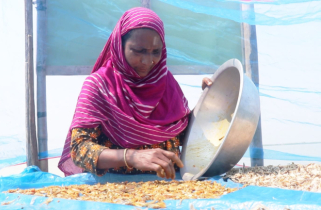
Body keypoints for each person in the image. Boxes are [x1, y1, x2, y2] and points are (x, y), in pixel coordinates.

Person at [58, 7, 212, 180]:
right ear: (119, 45)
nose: (148, 61)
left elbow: (184, 136)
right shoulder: (99, 86)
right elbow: (79, 150)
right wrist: (131, 157)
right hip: (114, 191)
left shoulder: (166, 83)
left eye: (155, 52)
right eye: (138, 51)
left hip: (170, 190)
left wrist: (208, 101)